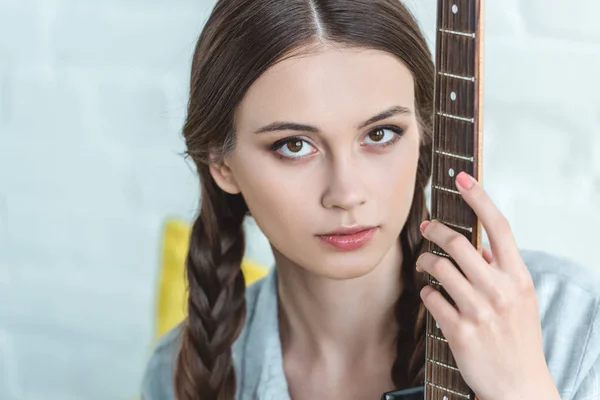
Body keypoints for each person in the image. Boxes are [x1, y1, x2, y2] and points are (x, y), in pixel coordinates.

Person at [141, 1, 600, 399]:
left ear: (423, 134)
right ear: (221, 164)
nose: (347, 194)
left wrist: (522, 392)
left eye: (380, 134)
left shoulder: (570, 325)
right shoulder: (176, 376)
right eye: (295, 145)